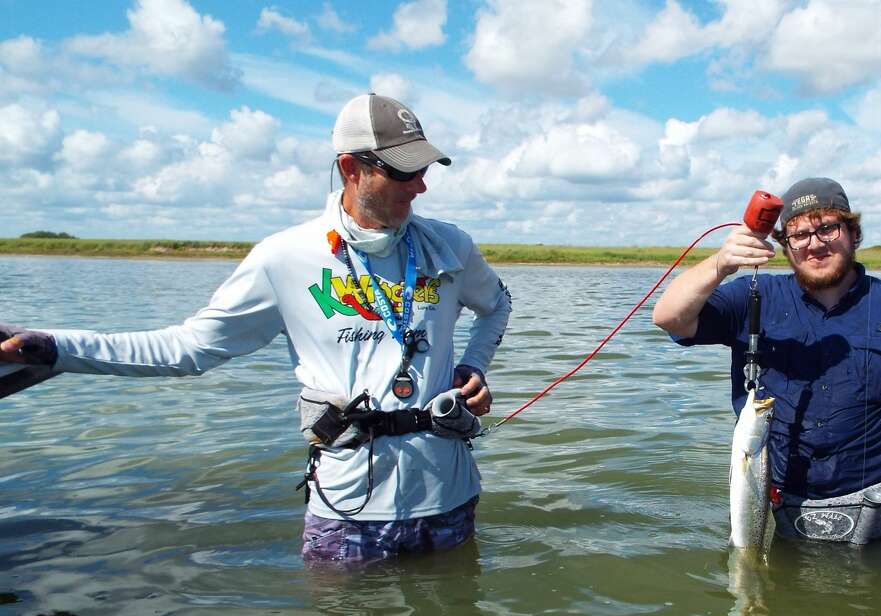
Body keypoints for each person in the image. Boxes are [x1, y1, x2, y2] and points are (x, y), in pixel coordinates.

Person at [0, 94, 512, 563]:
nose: (420, 186)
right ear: (350, 168)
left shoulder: (451, 247)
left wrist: (473, 366)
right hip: (347, 511)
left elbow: (497, 304)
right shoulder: (283, 258)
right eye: (403, 173)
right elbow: (187, 348)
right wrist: (56, 348)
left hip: (449, 496)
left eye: (423, 170)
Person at [652, 177, 881, 543]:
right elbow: (668, 316)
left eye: (827, 228)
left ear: (853, 233)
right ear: (785, 245)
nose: (814, 244)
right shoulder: (755, 296)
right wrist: (720, 263)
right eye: (798, 235)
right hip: (781, 518)